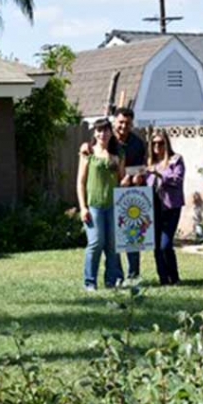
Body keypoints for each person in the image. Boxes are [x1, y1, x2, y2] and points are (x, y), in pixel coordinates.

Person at [77, 118, 124, 291]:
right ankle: (90, 282)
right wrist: (83, 207)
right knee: (96, 243)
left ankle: (112, 281)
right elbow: (80, 183)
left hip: (113, 205)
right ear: (94, 133)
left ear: (111, 133)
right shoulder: (87, 153)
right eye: (99, 131)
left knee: (112, 245)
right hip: (94, 206)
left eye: (105, 130)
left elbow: (121, 180)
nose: (102, 134)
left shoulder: (116, 156)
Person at [113, 108, 148, 282]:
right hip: (110, 195)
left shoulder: (138, 143)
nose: (123, 126)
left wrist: (134, 175)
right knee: (114, 240)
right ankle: (117, 275)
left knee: (132, 236)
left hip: (131, 195)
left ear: (132, 124)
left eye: (127, 123)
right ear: (115, 122)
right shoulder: (107, 141)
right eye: (120, 122)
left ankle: (134, 275)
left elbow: (143, 167)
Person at [147, 129, 185, 286]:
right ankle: (163, 279)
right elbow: (143, 181)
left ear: (166, 143)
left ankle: (174, 277)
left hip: (171, 207)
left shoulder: (175, 160)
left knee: (165, 245)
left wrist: (160, 175)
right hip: (153, 207)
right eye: (154, 143)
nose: (157, 146)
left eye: (160, 143)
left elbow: (178, 178)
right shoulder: (149, 163)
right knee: (156, 246)